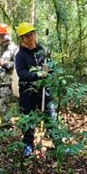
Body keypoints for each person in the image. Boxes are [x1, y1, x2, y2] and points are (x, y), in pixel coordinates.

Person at [14, 22, 56, 157]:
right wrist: (37, 74)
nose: (30, 37)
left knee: (50, 114)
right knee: (27, 118)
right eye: (26, 36)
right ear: (22, 39)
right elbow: (21, 73)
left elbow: (51, 68)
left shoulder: (42, 51)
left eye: (32, 34)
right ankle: (27, 144)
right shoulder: (20, 55)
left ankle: (58, 142)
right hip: (27, 91)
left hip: (44, 90)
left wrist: (48, 70)